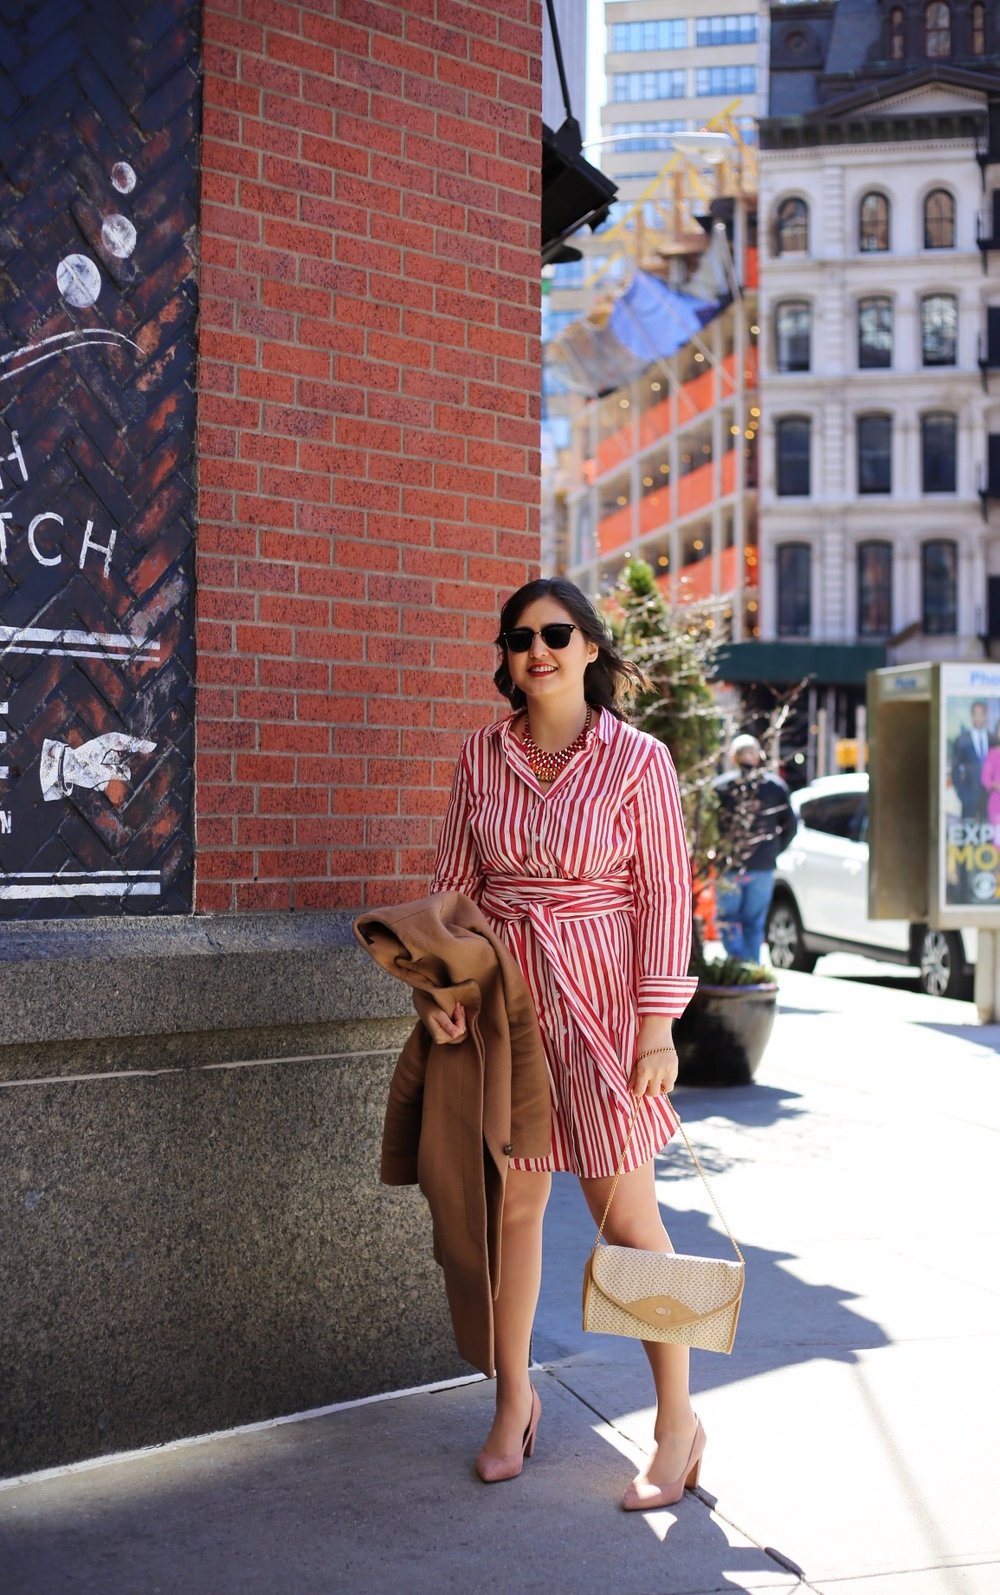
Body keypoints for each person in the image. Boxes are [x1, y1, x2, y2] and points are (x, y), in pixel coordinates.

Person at [423, 576, 702, 1511]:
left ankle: (677, 1422)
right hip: (507, 1006)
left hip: (604, 1009)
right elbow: (455, 891)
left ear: (589, 647)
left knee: (628, 1222)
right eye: (517, 638)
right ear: (503, 659)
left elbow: (664, 892)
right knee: (512, 1211)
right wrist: (443, 992)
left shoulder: (639, 761)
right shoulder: (478, 759)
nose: (535, 650)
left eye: (555, 633)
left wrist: (658, 1023)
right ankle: (514, 1403)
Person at [712, 733, 796, 964]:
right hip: (762, 865)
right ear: (758, 756)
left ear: (733, 757)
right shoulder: (775, 787)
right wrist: (772, 850)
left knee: (727, 919)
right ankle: (750, 968)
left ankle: (739, 963)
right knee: (754, 921)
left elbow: (709, 828)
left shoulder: (720, 787)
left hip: (729, 866)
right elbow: (791, 826)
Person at [953, 701, 994, 822]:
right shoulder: (962, 740)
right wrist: (962, 794)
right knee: (968, 833)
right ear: (972, 716)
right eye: (976, 714)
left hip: (989, 798)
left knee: (988, 836)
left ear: (986, 716)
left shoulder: (993, 739)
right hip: (969, 797)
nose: (979, 718)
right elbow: (955, 770)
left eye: (981, 714)